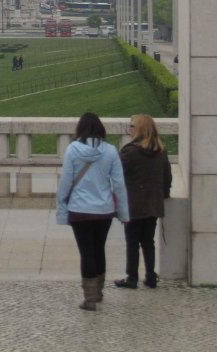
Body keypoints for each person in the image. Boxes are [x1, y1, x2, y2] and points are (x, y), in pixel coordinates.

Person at [56, 111, 129, 310]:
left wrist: (61, 209)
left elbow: (65, 183)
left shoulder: (72, 150)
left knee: (86, 252)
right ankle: (98, 292)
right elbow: (119, 185)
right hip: (104, 210)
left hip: (79, 209)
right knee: (98, 250)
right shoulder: (111, 151)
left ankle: (89, 298)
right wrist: (123, 213)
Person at [115, 114, 172, 289]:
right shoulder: (160, 151)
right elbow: (167, 177)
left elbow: (117, 176)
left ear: (139, 129)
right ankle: (150, 276)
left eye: (131, 126)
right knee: (148, 241)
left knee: (132, 241)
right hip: (153, 203)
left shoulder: (129, 152)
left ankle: (132, 277)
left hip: (133, 203)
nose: (129, 129)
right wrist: (163, 194)